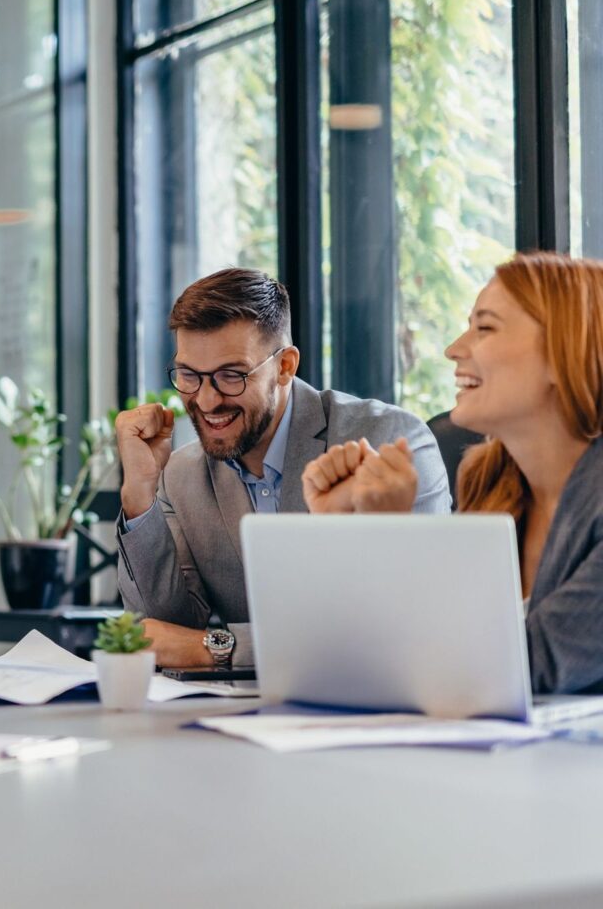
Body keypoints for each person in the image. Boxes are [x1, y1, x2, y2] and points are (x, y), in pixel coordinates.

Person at [115, 268, 451, 668]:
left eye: (231, 376)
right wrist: (140, 494)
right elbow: (165, 633)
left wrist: (217, 648)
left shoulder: (386, 442)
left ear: (285, 366)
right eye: (189, 375)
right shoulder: (181, 474)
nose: (206, 401)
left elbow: (415, 627)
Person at [304, 252, 603, 693]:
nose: (453, 349)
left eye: (485, 328)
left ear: (565, 350)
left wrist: (390, 535)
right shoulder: (490, 482)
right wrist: (345, 530)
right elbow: (371, 657)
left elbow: (522, 667)